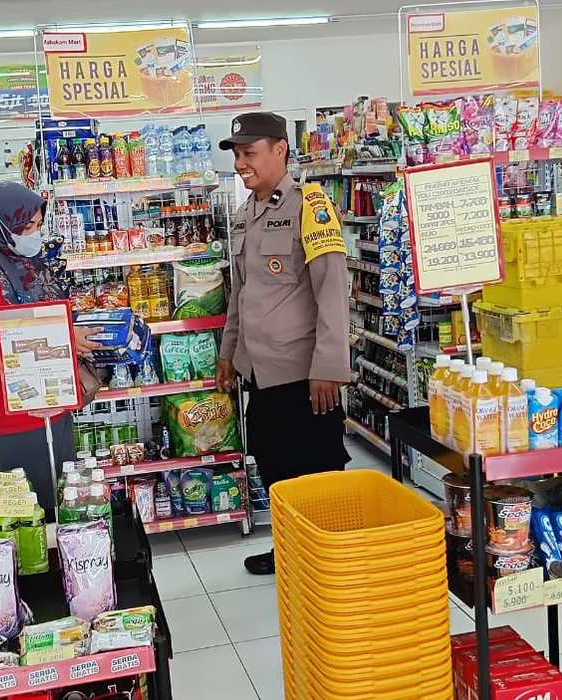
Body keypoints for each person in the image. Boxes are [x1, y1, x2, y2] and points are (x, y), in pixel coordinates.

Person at [217, 112, 351, 575]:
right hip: (260, 372)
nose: (241, 163)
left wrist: (329, 367)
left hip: (304, 375)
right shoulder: (246, 214)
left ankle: (328, 559)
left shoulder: (310, 207)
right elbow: (241, 293)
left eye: (249, 153)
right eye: (237, 155)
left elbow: (331, 290)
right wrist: (229, 353)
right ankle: (290, 552)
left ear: (280, 150)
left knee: (315, 470)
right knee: (275, 467)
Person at [0, 181, 100, 513]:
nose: (35, 235)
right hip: (15, 421)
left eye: (38, 225)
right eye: (27, 227)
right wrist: (62, 340)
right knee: (31, 520)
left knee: (64, 512)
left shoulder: (28, 269)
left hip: (54, 407)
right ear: (1, 225)